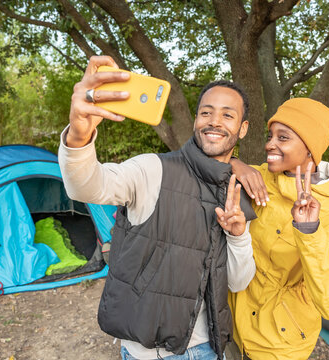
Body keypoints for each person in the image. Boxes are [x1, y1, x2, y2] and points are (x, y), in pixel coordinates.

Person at [58, 55, 257, 360]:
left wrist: (239, 236)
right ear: (196, 121)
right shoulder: (154, 169)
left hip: (208, 348)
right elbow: (87, 185)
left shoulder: (236, 190)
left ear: (242, 129)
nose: (215, 121)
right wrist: (78, 135)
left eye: (227, 115)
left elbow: (236, 282)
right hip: (149, 354)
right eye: (206, 112)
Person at [227, 98, 329, 359]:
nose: (269, 144)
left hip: (278, 347)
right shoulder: (257, 178)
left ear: (310, 149)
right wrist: (234, 162)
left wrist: (309, 232)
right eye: (270, 135)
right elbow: (202, 160)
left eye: (283, 137)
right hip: (230, 329)